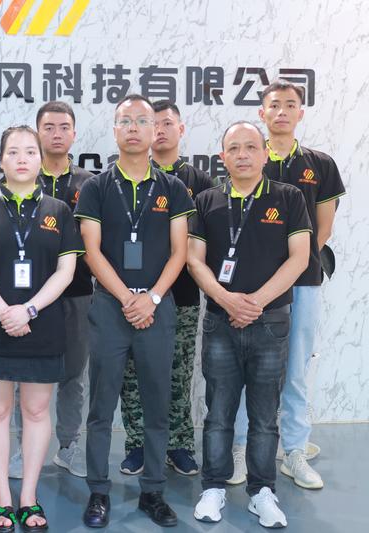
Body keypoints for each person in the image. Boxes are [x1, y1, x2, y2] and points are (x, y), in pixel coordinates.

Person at [76, 95, 194, 528]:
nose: (133, 128)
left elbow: (180, 252)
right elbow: (91, 251)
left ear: (155, 130)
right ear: (114, 130)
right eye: (125, 121)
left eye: (142, 121)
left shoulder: (172, 188)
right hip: (110, 307)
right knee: (102, 405)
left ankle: (154, 492)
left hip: (158, 308)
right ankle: (98, 492)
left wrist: (153, 298)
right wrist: (128, 298)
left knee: (157, 402)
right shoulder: (96, 187)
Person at [188, 121, 311, 528]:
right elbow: (194, 260)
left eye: (250, 147)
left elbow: (299, 258)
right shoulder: (207, 200)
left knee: (264, 415)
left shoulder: (289, 197)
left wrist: (255, 302)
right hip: (220, 322)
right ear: (222, 157)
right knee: (218, 412)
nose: (242, 155)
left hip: (270, 321)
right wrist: (226, 299)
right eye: (234, 148)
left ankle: (262, 493)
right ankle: (213, 488)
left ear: (264, 153)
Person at [230, 80, 346, 489]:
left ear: (300, 112)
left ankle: (294, 450)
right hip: (251, 288)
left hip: (303, 282)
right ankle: (240, 448)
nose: (281, 111)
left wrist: (291, 268)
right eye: (274, 105)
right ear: (261, 113)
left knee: (295, 369)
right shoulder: (249, 158)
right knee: (247, 369)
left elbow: (323, 228)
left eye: (290, 104)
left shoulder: (320, 164)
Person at [0, 125, 82, 532]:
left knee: (35, 411)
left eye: (29, 151)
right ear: (0, 160)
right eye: (13, 152)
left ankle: (29, 496)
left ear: (40, 158)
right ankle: (2, 498)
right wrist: (5, 311)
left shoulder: (59, 210)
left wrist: (28, 310)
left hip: (43, 324)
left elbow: (66, 271)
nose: (21, 158)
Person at [118, 100, 214, 477]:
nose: (159, 130)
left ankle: (179, 444)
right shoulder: (129, 177)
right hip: (131, 295)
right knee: (132, 374)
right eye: (152, 123)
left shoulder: (199, 182)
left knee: (178, 373)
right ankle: (136, 444)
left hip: (182, 296)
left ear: (181, 129)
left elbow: (202, 242)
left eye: (167, 123)